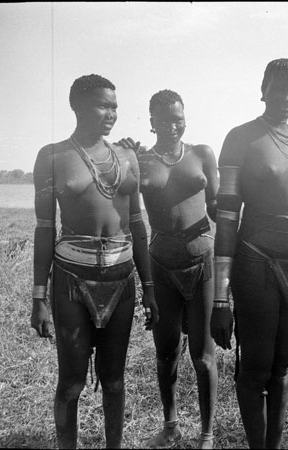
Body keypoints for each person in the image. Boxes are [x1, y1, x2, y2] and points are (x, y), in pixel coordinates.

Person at [30, 74, 159, 449]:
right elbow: (43, 228)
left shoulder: (126, 156)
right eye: (103, 105)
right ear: (77, 106)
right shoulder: (52, 157)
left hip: (122, 277)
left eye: (115, 106)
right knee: (71, 383)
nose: (111, 114)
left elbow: (137, 224)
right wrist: (39, 298)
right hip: (72, 277)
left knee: (115, 380)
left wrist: (149, 288)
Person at [210, 59, 288, 449]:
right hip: (256, 265)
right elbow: (227, 218)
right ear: (262, 88)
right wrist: (220, 299)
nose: (287, 98)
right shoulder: (240, 138)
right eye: (279, 88)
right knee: (256, 371)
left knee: (280, 370)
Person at [118, 89, 218, 448]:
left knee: (203, 356)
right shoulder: (140, 159)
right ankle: (171, 425)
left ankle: (207, 433)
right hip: (161, 263)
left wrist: (227, 277)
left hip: (202, 259)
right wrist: (121, 148)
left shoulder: (203, 154)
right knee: (165, 351)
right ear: (152, 123)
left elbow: (220, 208)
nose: (172, 126)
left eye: (178, 118)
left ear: (185, 117)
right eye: (164, 120)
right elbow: (116, 182)